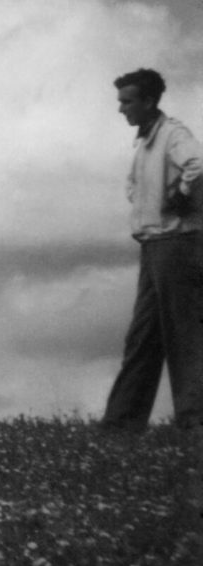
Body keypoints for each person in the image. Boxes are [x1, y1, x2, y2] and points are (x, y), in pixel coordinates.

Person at [101, 68, 203, 431]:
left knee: (185, 334)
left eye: (127, 102)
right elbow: (133, 185)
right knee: (143, 336)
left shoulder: (173, 133)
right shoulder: (145, 140)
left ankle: (195, 421)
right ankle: (122, 422)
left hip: (177, 244)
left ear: (148, 101)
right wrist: (151, 201)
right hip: (154, 244)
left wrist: (180, 195)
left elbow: (198, 165)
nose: (121, 109)